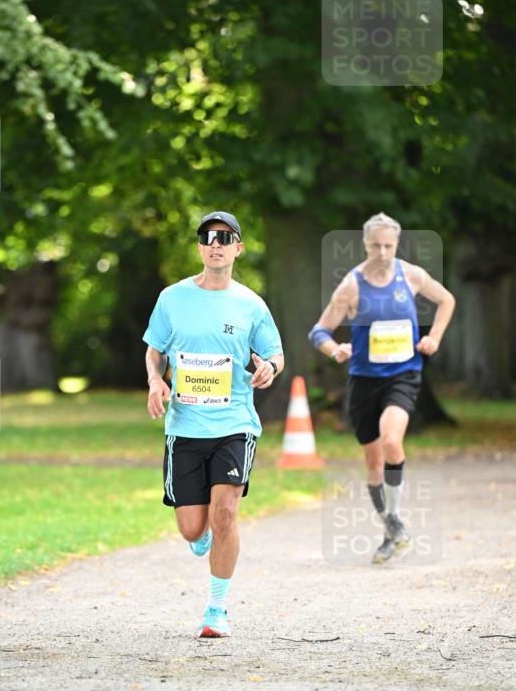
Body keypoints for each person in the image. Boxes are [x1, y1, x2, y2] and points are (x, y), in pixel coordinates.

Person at [143, 211, 284, 637]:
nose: (216, 243)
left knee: (225, 516)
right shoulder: (172, 298)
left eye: (225, 237)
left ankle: (216, 611)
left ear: (238, 248)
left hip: (235, 424)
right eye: (208, 237)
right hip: (184, 428)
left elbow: (274, 353)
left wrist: (269, 370)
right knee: (193, 527)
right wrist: (154, 380)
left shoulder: (250, 304)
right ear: (200, 247)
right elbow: (155, 350)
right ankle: (200, 537)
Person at [308, 212, 455, 563]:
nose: (383, 252)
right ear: (365, 245)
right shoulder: (352, 285)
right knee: (373, 463)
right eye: (376, 245)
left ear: (397, 244)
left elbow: (446, 300)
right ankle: (391, 527)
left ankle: (396, 523)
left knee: (392, 441)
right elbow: (319, 331)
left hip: (403, 376)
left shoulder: (412, 275)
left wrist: (434, 337)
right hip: (363, 381)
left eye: (389, 245)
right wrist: (336, 349)